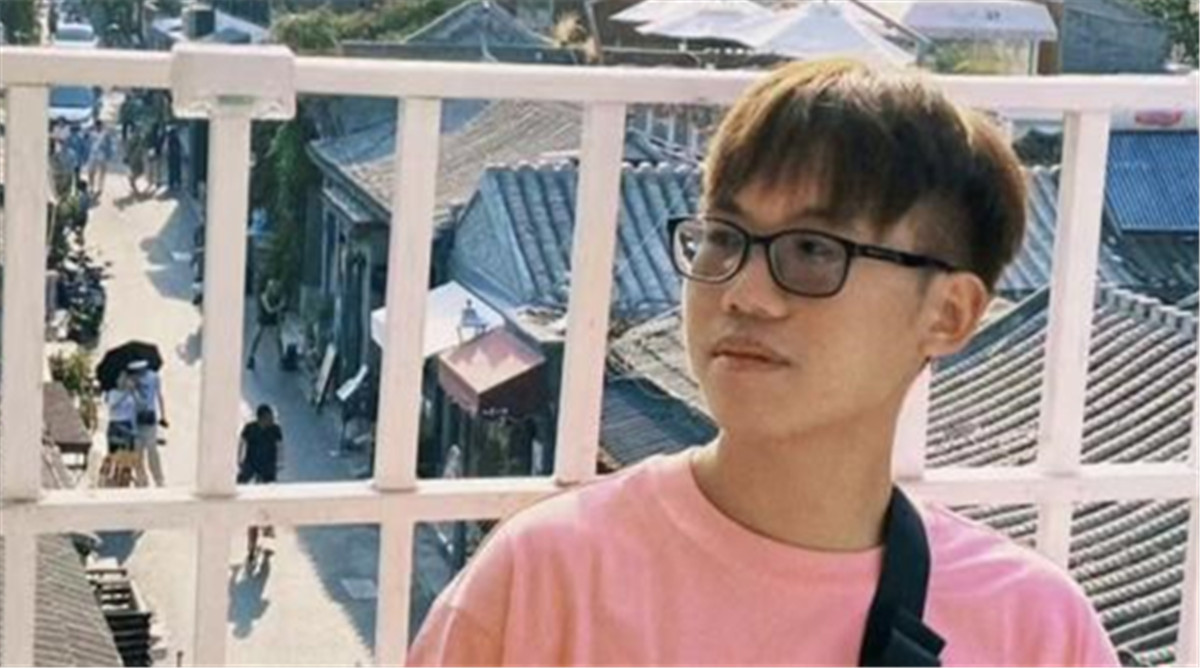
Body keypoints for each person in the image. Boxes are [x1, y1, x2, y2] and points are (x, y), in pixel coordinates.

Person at [407, 60, 1120, 666]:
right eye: (724, 238)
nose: (743, 293)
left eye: (813, 251)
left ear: (949, 314)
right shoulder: (547, 577)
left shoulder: (1035, 630)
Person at [238, 403, 284, 561]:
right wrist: (240, 461)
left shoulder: (275, 430)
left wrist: (280, 463)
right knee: (252, 509)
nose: (272, 420)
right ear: (261, 418)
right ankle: (251, 546)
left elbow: (280, 447)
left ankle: (268, 531)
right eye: (269, 417)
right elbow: (242, 443)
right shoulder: (250, 428)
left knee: (269, 505)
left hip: (268, 471)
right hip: (251, 469)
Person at [128, 359, 168, 487]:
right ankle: (157, 479)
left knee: (141, 452)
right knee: (150, 451)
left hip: (139, 419)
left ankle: (145, 480)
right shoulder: (154, 376)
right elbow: (159, 396)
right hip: (149, 418)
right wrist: (163, 415)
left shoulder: (132, 381)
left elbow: (139, 403)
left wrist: (133, 390)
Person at [101, 372, 140, 487]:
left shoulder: (131, 394)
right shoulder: (112, 392)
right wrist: (126, 392)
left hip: (128, 426)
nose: (124, 381)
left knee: (127, 460)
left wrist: (134, 393)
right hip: (116, 425)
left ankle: (124, 482)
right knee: (114, 455)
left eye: (126, 378)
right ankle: (108, 478)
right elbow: (112, 404)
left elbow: (136, 410)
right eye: (121, 378)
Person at [246, 278, 284, 371]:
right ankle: (251, 357)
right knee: (257, 336)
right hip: (263, 318)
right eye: (271, 287)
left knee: (278, 338)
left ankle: (281, 358)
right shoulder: (263, 296)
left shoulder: (276, 297)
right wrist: (279, 307)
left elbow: (279, 312)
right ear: (267, 288)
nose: (272, 289)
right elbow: (269, 310)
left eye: (274, 288)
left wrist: (279, 324)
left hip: (273, 319)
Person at [87, 121, 118, 196]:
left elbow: (110, 145)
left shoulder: (106, 134)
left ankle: (100, 186)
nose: (98, 127)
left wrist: (110, 155)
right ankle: (91, 186)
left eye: (99, 126)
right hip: (93, 155)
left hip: (102, 155)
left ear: (101, 126)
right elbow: (87, 144)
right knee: (91, 172)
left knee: (102, 172)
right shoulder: (91, 134)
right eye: (96, 126)